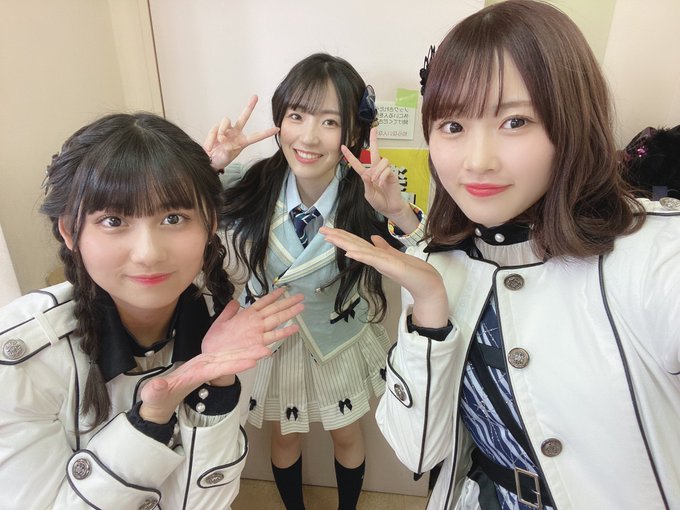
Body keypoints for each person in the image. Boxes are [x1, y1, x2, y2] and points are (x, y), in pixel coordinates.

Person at [320, 1, 680, 509]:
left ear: (573, 122)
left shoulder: (652, 255)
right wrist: (428, 311)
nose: (478, 161)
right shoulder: (441, 265)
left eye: (514, 121)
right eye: (452, 126)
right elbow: (416, 451)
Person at [0, 112, 305, 509]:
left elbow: (202, 504)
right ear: (71, 232)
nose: (148, 253)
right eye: (113, 220)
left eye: (173, 218)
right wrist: (149, 422)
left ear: (210, 224)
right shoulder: (23, 360)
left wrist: (218, 385)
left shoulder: (226, 329)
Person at [204, 53, 425, 509]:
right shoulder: (251, 181)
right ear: (280, 121)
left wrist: (399, 212)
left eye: (329, 122)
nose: (307, 137)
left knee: (347, 434)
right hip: (276, 341)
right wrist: (212, 166)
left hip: (336, 338)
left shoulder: (370, 195)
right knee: (285, 438)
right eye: (297, 116)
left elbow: (425, 260)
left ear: (353, 132)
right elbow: (180, 215)